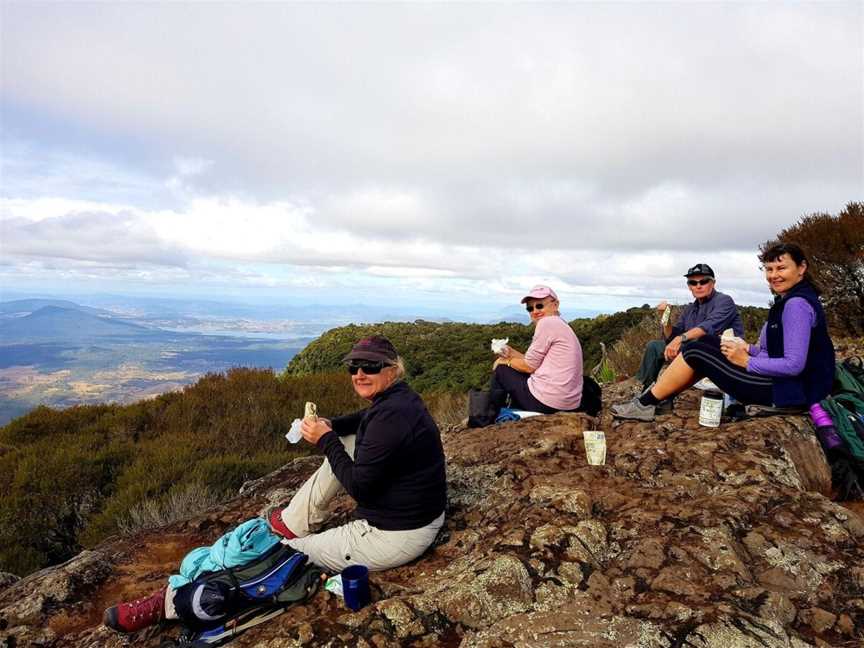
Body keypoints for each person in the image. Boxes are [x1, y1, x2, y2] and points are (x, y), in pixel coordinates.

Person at [103, 335, 447, 634]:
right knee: (350, 437)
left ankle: (169, 604)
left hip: (395, 535)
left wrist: (326, 439)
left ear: (392, 369)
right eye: (353, 366)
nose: (359, 374)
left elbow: (362, 488)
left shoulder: (392, 416)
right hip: (412, 514)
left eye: (370, 367)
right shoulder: (397, 401)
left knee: (285, 557)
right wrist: (329, 425)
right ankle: (293, 522)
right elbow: (362, 422)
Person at [612, 243, 835, 422]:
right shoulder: (787, 302)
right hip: (786, 385)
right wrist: (748, 349)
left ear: (801, 268)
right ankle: (657, 400)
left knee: (696, 349)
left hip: (790, 391)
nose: (774, 275)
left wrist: (746, 361)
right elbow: (770, 352)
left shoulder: (795, 305)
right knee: (702, 344)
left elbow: (794, 364)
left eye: (781, 268)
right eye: (769, 269)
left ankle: (645, 403)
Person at [635, 263, 744, 398]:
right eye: (693, 282)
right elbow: (672, 336)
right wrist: (666, 316)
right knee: (655, 346)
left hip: (722, 355)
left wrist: (680, 339)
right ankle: (647, 391)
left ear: (713, 283)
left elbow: (708, 327)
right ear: (689, 286)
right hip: (694, 351)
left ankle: (659, 396)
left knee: (692, 347)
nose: (698, 286)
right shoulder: (691, 309)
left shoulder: (724, 301)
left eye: (703, 281)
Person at [491, 285, 584, 414]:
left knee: (501, 371)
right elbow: (532, 362)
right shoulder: (561, 324)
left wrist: (504, 361)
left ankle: (491, 414)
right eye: (530, 308)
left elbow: (529, 367)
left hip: (546, 402)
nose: (534, 311)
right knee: (514, 369)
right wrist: (511, 352)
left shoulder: (547, 323)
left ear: (555, 304)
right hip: (568, 403)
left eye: (539, 306)